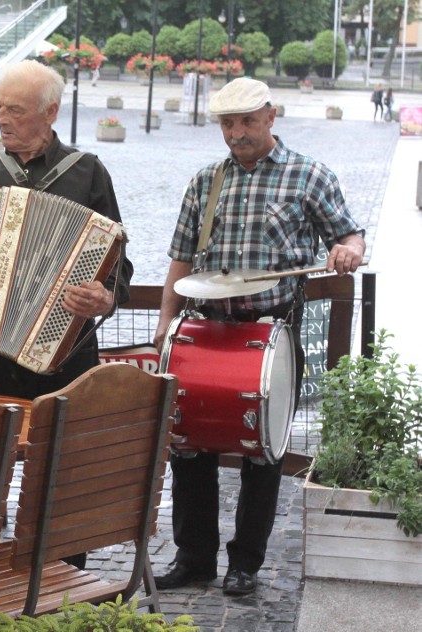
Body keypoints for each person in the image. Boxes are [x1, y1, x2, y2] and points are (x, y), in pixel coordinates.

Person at [151, 77, 365, 596]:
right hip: (205, 329)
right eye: (227, 124)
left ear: (271, 117)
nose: (236, 133)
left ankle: (245, 563)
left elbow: (349, 233)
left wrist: (349, 250)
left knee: (262, 450)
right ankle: (194, 557)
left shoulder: (310, 176)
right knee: (189, 445)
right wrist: (165, 323)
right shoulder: (206, 181)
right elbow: (181, 257)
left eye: (247, 122)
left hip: (272, 332)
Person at [0, 59, 133, 402]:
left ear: (50, 112)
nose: (2, 119)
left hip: (64, 357)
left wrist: (105, 298)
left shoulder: (88, 173)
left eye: (15, 110)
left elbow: (119, 265)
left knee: (60, 453)